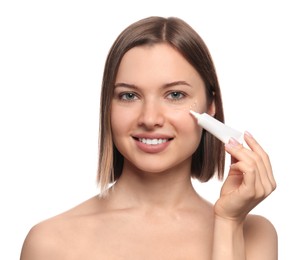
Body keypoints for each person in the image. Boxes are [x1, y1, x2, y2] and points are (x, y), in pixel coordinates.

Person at [20, 16, 277, 260]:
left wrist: (229, 223)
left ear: (211, 106)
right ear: (107, 107)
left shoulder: (253, 234)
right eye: (129, 96)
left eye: (175, 95)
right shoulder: (49, 243)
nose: (150, 118)